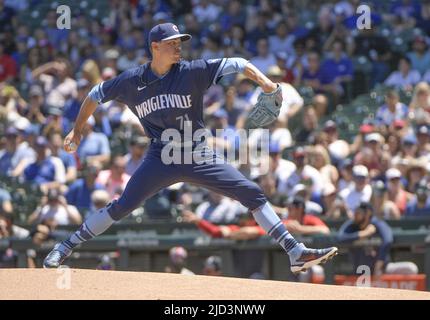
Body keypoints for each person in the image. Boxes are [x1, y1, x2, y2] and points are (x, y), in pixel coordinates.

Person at [44, 22, 337, 273]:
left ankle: (294, 252)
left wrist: (267, 83)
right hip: (161, 156)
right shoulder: (132, 81)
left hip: (197, 153)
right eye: (172, 43)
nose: (179, 47)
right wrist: (77, 128)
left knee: (252, 192)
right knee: (122, 206)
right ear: (155, 47)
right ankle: (65, 246)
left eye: (180, 41)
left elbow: (236, 62)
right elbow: (95, 95)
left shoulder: (192, 71)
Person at [337, 202, 418, 276]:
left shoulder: (377, 224)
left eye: (359, 213)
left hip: (382, 269)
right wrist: (365, 233)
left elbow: (388, 240)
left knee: (411, 268)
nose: (355, 215)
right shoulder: (352, 225)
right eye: (355, 212)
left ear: (367, 214)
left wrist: (379, 264)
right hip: (359, 271)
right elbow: (340, 238)